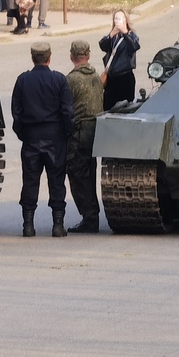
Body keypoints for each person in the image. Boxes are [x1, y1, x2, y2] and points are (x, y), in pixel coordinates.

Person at [11, 41, 75, 238]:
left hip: (31, 137)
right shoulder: (59, 80)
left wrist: (23, 134)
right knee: (57, 182)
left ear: (33, 58)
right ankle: (58, 225)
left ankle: (28, 226)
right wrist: (67, 133)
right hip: (55, 138)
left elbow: (16, 113)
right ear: (49, 58)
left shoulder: (23, 80)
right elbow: (67, 111)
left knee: (30, 181)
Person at [65, 39, 103, 234]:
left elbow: (65, 109)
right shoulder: (96, 76)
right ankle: (92, 214)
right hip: (95, 130)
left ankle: (89, 217)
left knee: (78, 176)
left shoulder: (71, 80)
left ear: (72, 56)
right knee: (90, 173)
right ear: (88, 56)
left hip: (79, 132)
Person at [99, 9, 140, 110]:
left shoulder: (131, 35)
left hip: (125, 77)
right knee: (108, 106)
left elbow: (134, 46)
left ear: (125, 20)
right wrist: (111, 35)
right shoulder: (113, 36)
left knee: (125, 108)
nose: (117, 21)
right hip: (112, 78)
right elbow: (103, 46)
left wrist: (125, 32)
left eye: (120, 18)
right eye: (115, 19)